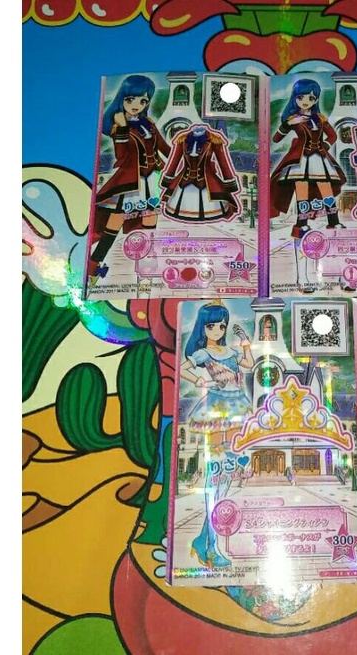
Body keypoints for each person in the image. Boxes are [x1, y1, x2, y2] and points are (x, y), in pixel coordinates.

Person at [179, 300, 253, 568]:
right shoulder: (203, 353)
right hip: (217, 408)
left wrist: (245, 344)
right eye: (212, 326)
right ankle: (211, 547)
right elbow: (183, 368)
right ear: (203, 327)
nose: (218, 330)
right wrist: (201, 380)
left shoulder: (229, 351)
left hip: (238, 406)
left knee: (226, 477)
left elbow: (248, 364)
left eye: (222, 325)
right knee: (216, 476)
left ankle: (204, 541)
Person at [88, 74, 170, 281]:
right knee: (115, 221)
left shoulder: (148, 124)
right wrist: (123, 128)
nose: (136, 105)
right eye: (130, 99)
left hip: (151, 179)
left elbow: (164, 148)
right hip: (130, 182)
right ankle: (94, 265)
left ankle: (147, 265)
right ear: (122, 98)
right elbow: (121, 156)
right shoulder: (119, 127)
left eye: (143, 101)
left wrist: (181, 158)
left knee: (150, 219)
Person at [269, 78, 347, 289]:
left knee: (326, 187)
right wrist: (287, 124)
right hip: (301, 161)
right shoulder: (293, 118)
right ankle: (302, 221)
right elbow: (276, 139)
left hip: (319, 158)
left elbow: (332, 135)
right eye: (301, 97)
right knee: (302, 190)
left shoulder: (320, 118)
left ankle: (333, 219)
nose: (306, 101)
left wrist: (325, 145)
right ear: (295, 98)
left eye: (311, 97)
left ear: (316, 99)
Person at [160, 123, 240, 222]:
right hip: (184, 179)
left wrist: (229, 180)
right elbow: (174, 161)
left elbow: (223, 162)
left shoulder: (214, 139)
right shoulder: (182, 139)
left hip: (207, 181)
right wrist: (168, 177)